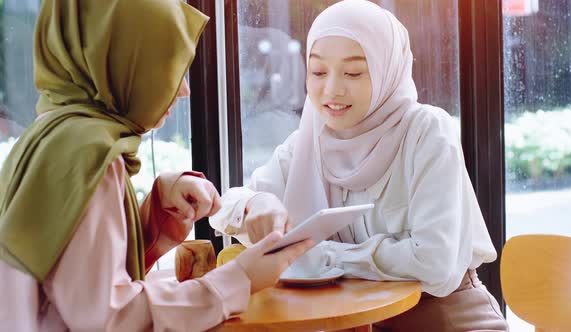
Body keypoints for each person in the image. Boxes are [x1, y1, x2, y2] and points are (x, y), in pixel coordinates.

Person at [0, 0, 312, 331]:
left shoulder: (51, 134)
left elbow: (71, 279)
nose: (184, 90)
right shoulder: (85, 153)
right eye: (166, 65)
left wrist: (154, 212)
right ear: (120, 62)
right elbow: (108, 318)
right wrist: (239, 279)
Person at [210, 0, 509, 330]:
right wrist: (255, 203)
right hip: (354, 322)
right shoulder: (311, 141)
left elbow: (434, 262)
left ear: (386, 70)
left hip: (446, 319)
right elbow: (224, 209)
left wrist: (325, 257)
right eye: (319, 72)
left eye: (353, 72)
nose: (332, 90)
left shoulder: (425, 131)